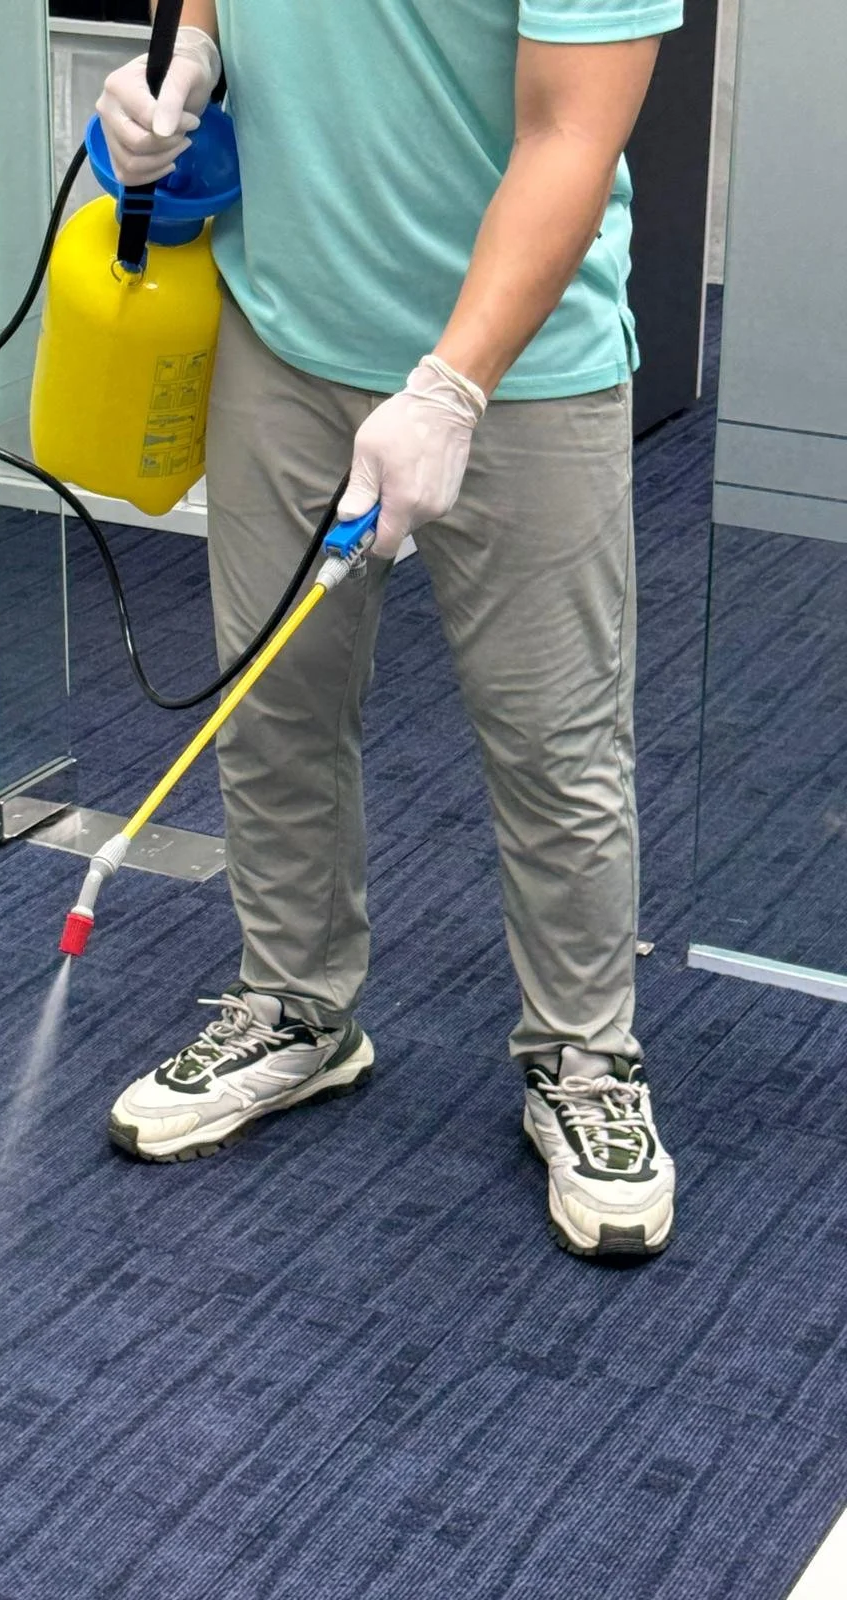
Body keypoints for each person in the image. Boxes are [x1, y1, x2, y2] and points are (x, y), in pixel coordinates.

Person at [95, 0, 681, 1258]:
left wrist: (452, 384)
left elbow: (574, 134)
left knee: (553, 742)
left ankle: (586, 1057)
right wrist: (183, 57)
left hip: (523, 370)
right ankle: (297, 1008)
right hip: (282, 331)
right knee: (275, 706)